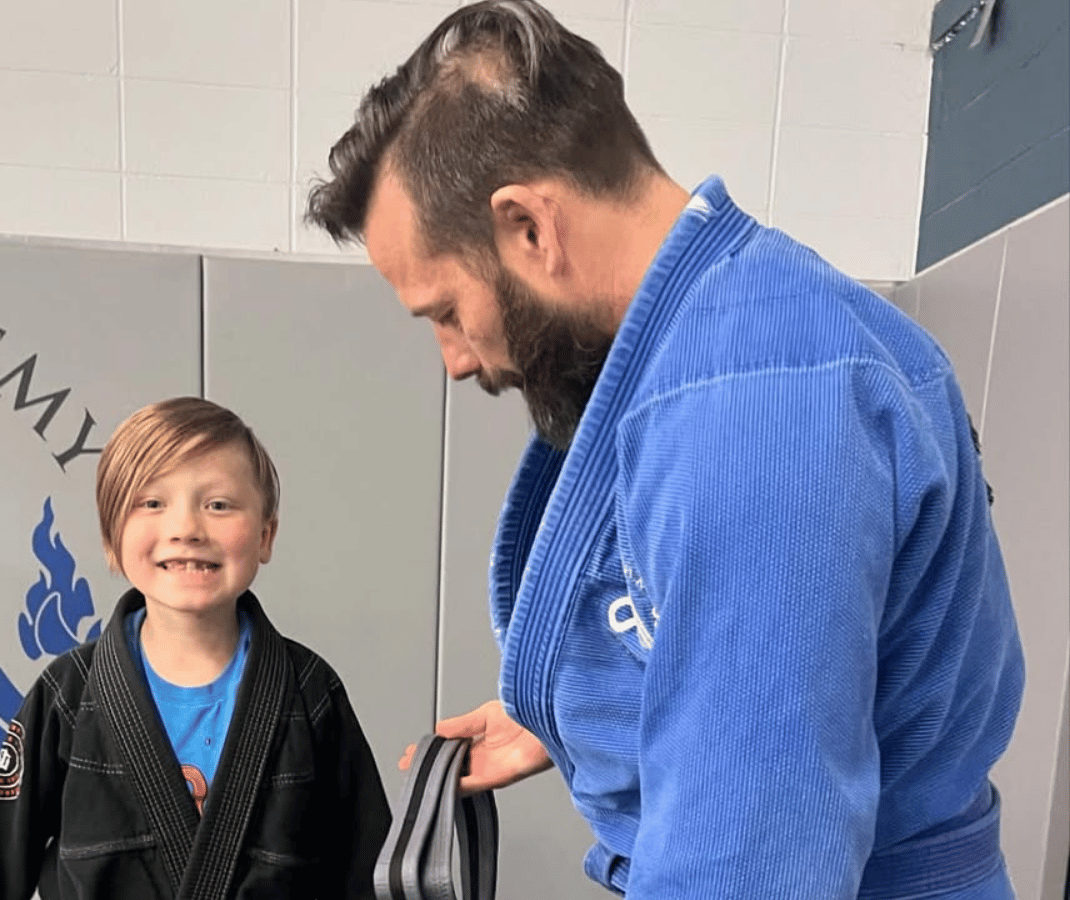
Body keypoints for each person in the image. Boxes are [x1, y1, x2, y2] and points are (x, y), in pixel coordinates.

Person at [303, 2, 1025, 898]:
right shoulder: (749, 322)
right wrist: (578, 714)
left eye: (447, 311)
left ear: (529, 226)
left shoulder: (750, 414)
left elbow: (750, 871)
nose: (455, 360)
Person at [0, 397, 391, 899]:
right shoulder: (68, 696)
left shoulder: (309, 692)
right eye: (152, 503)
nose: (186, 529)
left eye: (219, 505)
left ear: (266, 535)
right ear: (111, 539)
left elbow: (367, 871)